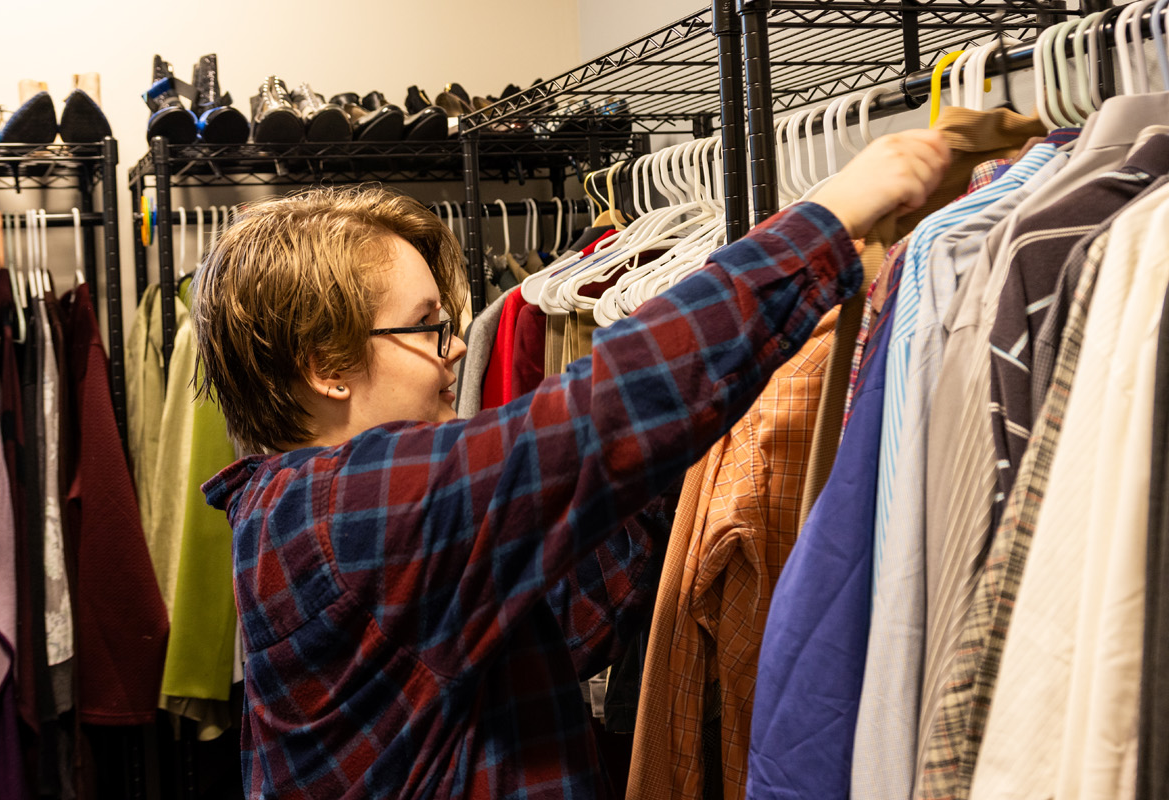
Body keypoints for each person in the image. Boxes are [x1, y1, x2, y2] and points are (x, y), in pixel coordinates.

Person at [192, 130, 951, 799]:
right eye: (425, 328)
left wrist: (704, 421)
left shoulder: (307, 514)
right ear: (326, 363)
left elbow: (562, 618)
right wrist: (829, 221)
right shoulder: (343, 511)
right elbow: (598, 416)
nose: (455, 348)